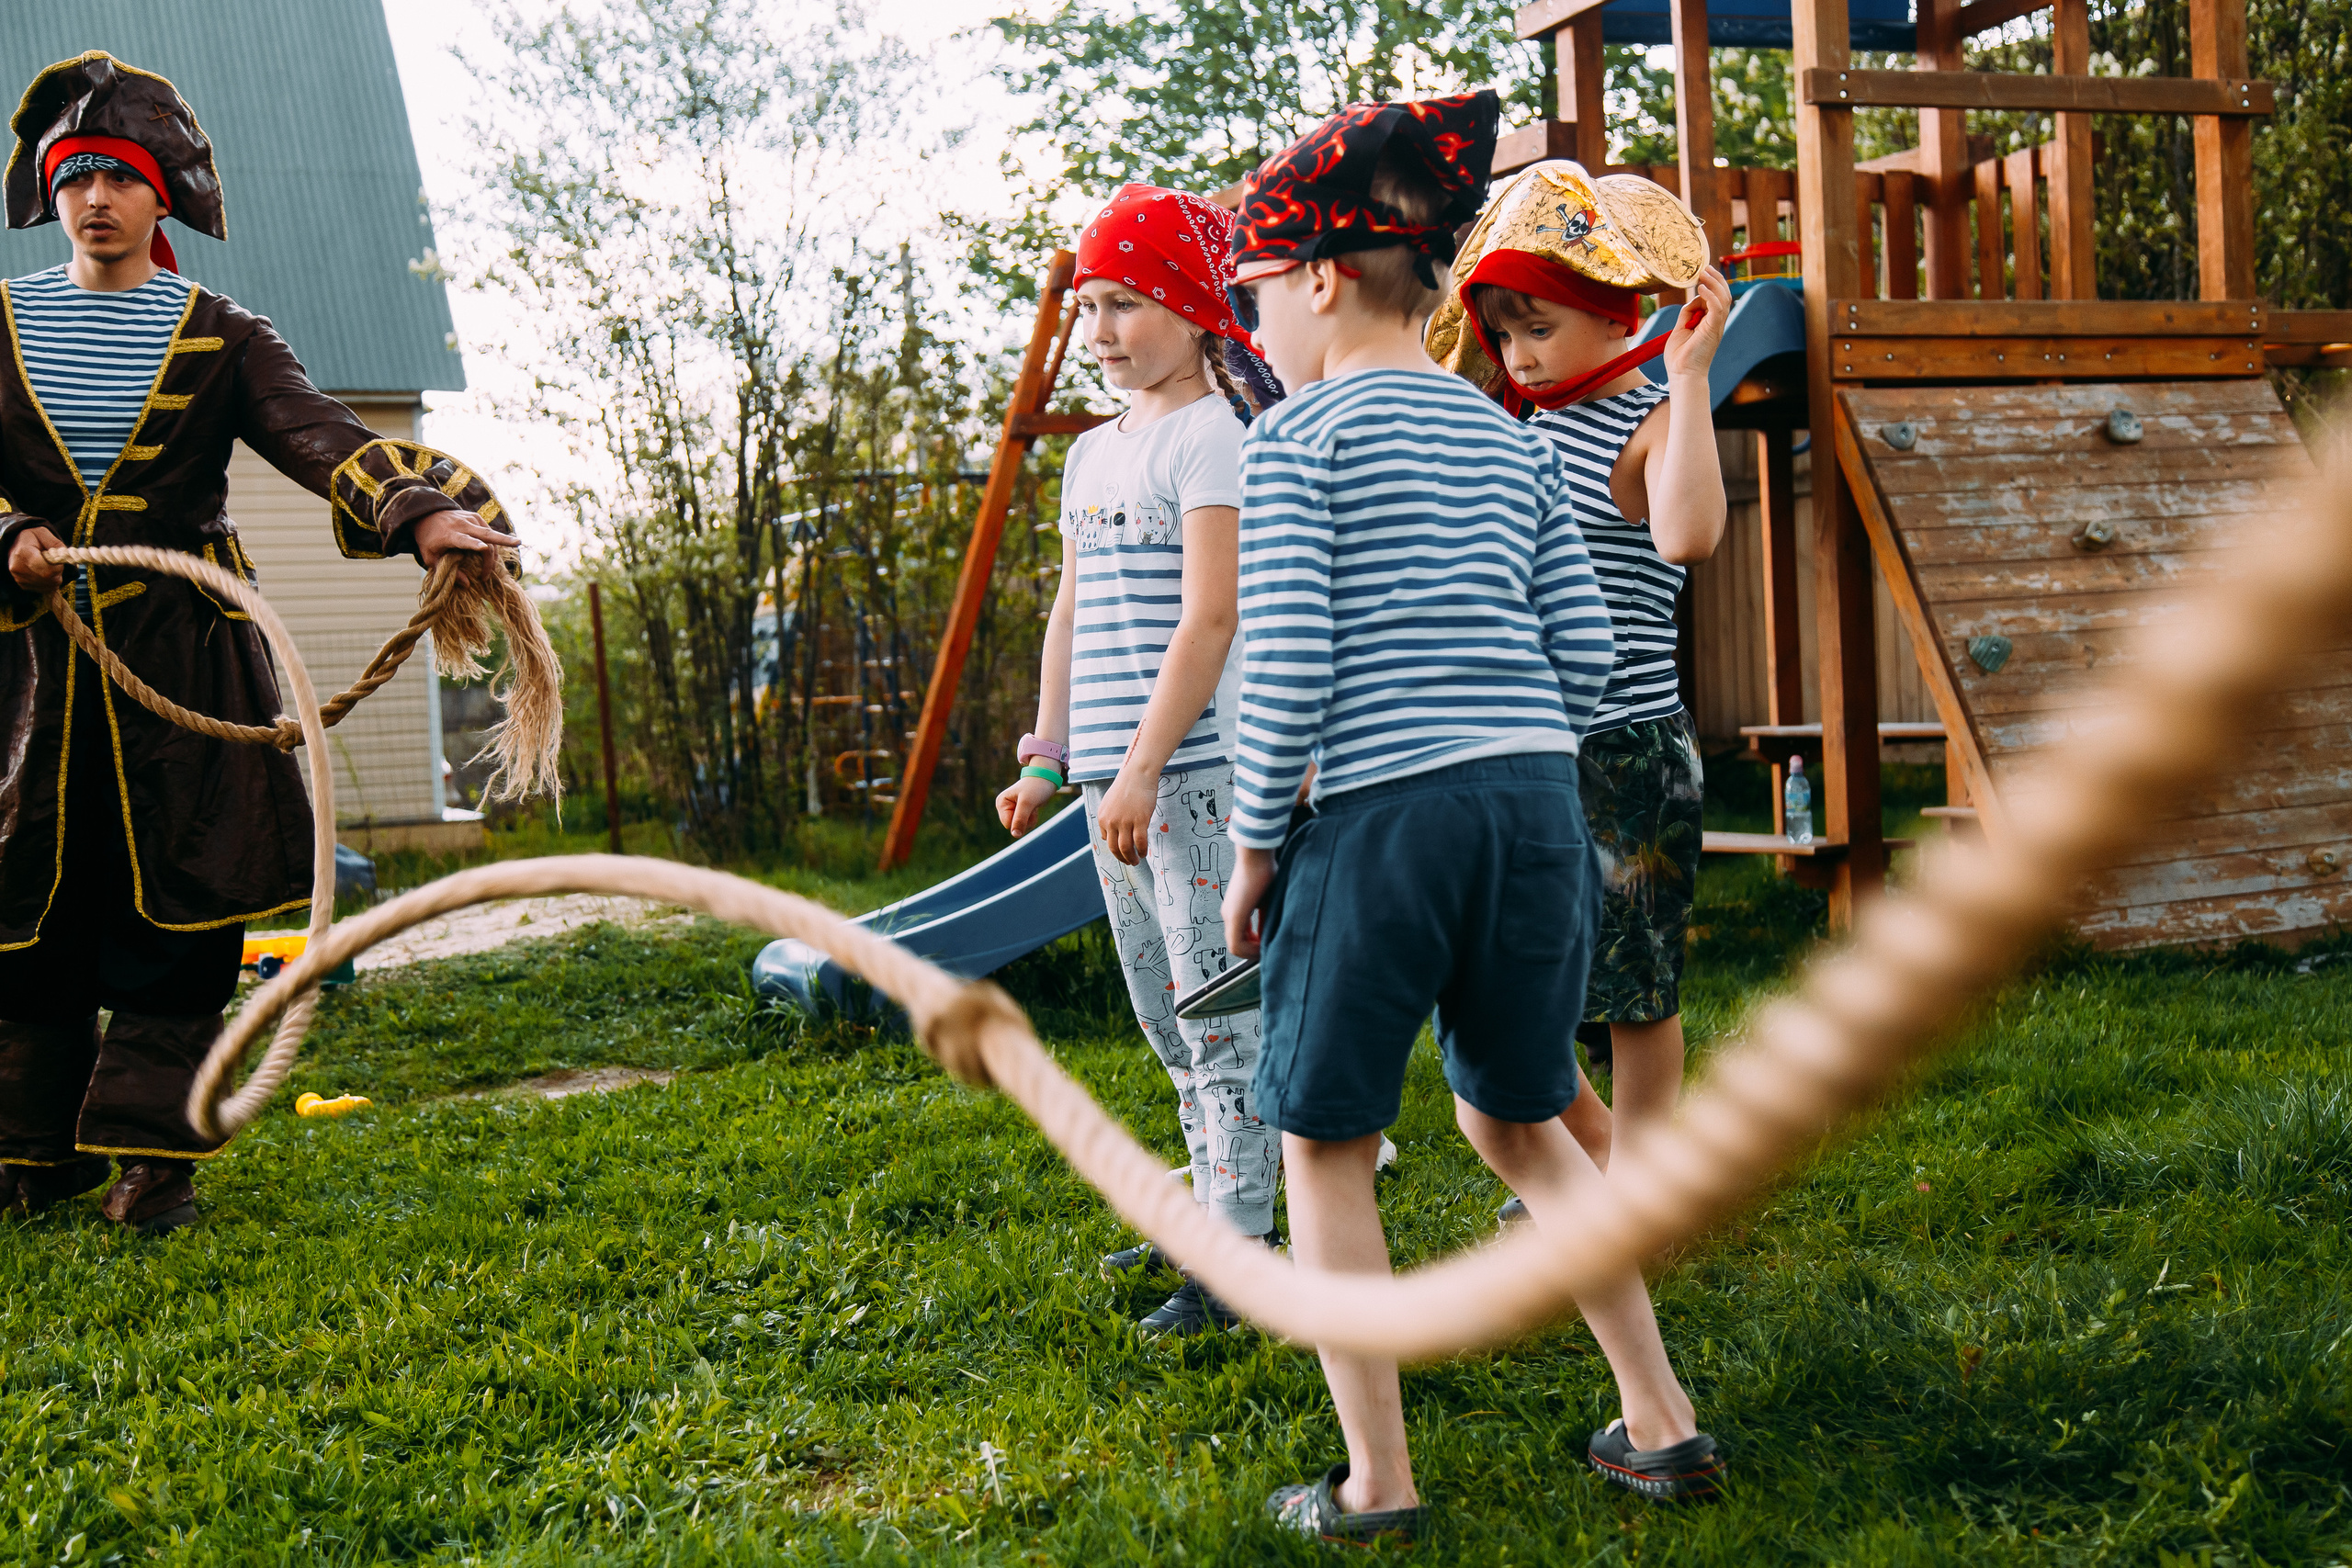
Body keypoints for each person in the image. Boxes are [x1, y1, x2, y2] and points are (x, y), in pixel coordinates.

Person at [1219, 93, 1725, 1543]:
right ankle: (1660, 1418)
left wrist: (1259, 845)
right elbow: (1584, 648)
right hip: (1535, 806)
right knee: (1520, 1114)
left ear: (1318, 277)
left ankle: (1377, 1483)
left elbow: (1294, 668)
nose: (1256, 330)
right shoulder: (1502, 441)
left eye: (1256, 298)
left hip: (1384, 816)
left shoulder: (1297, 444)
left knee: (1325, 1141)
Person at [0, 52, 523, 1232]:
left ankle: (152, 1166)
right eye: (73, 176)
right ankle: (29, 1157)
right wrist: (8, 533)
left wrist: (424, 510)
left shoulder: (222, 334)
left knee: (179, 919)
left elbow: (321, 435)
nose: (96, 198)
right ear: (47, 190)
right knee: (22, 908)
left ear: (161, 196)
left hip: (186, 663)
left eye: (120, 178)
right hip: (26, 667)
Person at [995, 184, 1282, 1337]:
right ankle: (1218, 1201)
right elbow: (1069, 610)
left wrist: (1146, 768)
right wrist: (1052, 756)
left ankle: (1238, 1254)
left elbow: (1210, 619)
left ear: (1192, 303)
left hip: (1196, 782)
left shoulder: (1216, 435)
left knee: (1220, 1019)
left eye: (1125, 303)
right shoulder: (1092, 457)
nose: (1101, 332)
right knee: (1167, 1018)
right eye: (1090, 307)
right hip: (1116, 785)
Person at [1429, 161, 1731, 1196]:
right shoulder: (1507, 431)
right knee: (1520, 977)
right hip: (1526, 749)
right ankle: (1592, 1160)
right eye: (1503, 333)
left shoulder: (1648, 421)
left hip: (1629, 751)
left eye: (1538, 328)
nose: (1516, 354)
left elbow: (1689, 536)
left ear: (1614, 316)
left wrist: (1688, 379)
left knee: (1635, 987)